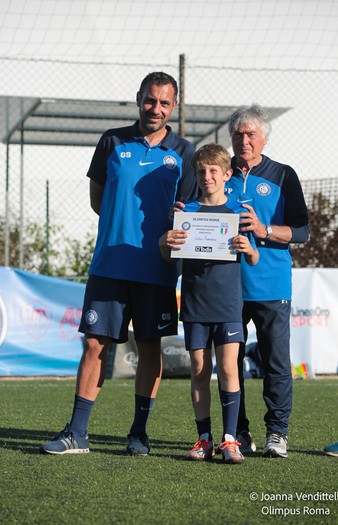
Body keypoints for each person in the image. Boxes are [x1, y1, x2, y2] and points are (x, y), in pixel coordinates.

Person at [41, 71, 197, 456]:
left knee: (148, 346)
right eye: (150, 100)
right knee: (94, 344)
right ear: (138, 98)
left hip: (158, 270)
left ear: (173, 107)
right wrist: (119, 223)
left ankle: (138, 433)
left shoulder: (185, 152)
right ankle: (77, 432)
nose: (155, 108)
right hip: (110, 263)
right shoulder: (111, 140)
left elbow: (188, 214)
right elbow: (98, 200)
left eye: (164, 103)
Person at [160, 143, 259, 463]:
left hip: (229, 304)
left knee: (229, 368)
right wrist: (166, 241)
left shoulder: (239, 213)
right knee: (200, 370)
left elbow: (255, 258)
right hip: (195, 304)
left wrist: (247, 247)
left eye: (214, 171)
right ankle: (203, 438)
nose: (207, 177)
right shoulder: (184, 212)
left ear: (227, 174)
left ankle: (230, 440)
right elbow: (167, 254)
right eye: (201, 171)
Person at [225, 104, 310, 458]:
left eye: (251, 134)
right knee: (230, 364)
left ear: (264, 137)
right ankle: (239, 433)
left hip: (272, 284)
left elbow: (303, 232)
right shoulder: (216, 171)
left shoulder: (283, 174)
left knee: (275, 361)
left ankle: (277, 433)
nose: (244, 140)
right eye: (238, 134)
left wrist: (265, 230)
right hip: (226, 285)